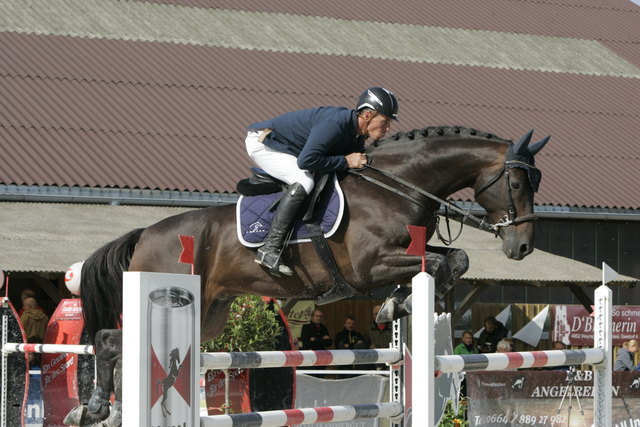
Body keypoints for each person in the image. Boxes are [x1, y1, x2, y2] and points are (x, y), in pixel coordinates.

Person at [245, 87, 399, 276]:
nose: (388, 128)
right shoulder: (335, 124)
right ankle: (270, 248)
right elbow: (306, 161)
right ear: (367, 115)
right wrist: (345, 161)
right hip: (263, 142)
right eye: (385, 121)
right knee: (304, 180)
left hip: (291, 148)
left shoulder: (357, 136)